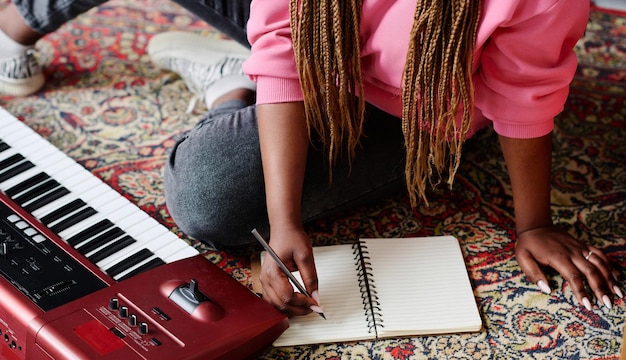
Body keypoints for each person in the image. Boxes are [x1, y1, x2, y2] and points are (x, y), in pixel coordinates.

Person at [0, 0, 622, 317]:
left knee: (210, 193)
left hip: (409, 102)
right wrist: (285, 217)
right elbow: (285, 38)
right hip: (315, 34)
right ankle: (16, 25)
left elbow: (522, 92)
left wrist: (532, 223)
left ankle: (227, 84)